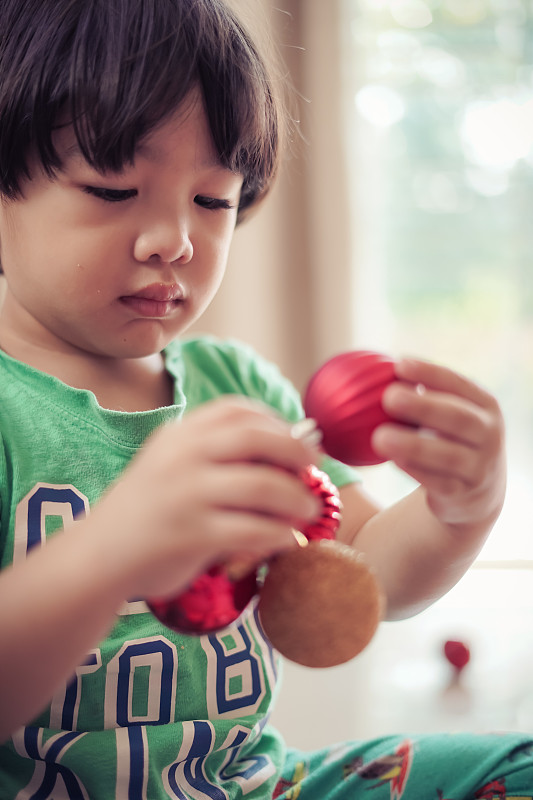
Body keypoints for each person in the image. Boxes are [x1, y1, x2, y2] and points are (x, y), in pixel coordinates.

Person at [0, 0, 531, 797]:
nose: (174, 239)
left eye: (213, 201)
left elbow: (365, 581)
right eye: (114, 188)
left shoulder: (235, 388)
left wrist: (461, 510)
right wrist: (113, 549)